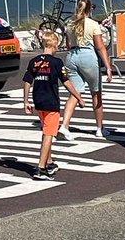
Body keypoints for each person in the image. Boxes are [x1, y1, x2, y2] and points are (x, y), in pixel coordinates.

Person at [23, 31, 83, 180]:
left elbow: (27, 81)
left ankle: (49, 161)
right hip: (51, 102)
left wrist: (26, 101)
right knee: (49, 135)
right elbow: (66, 82)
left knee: (46, 130)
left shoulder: (34, 62)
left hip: (39, 101)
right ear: (54, 44)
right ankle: (40, 168)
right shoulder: (57, 63)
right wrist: (78, 97)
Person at [59, 0, 114, 141]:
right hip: (88, 56)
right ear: (90, 9)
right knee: (96, 93)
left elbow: (68, 45)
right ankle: (99, 128)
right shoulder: (93, 24)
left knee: (75, 93)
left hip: (72, 56)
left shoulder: (70, 23)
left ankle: (64, 125)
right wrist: (108, 66)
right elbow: (100, 47)